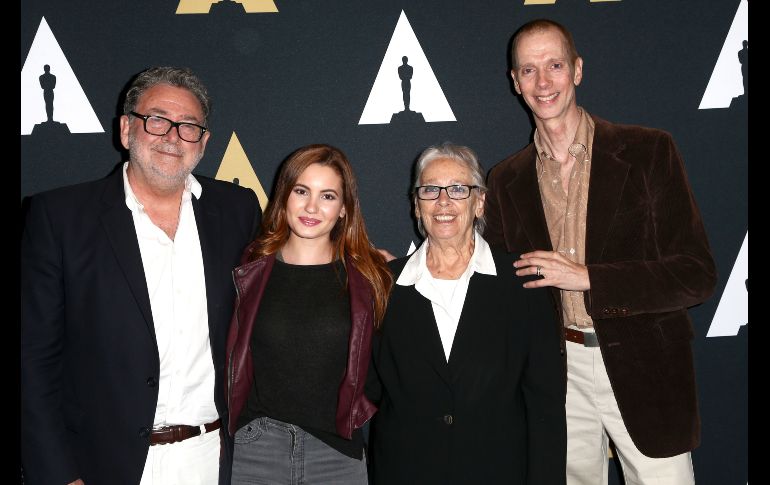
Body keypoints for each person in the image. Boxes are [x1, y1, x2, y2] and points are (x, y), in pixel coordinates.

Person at [484, 19, 717, 485]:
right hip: (558, 376)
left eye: (554, 65)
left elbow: (695, 274)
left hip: (646, 369)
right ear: (515, 83)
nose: (543, 82)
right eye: (528, 71)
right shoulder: (505, 179)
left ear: (577, 70)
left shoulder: (649, 151)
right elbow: (504, 292)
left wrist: (591, 277)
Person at [21, 66, 261, 485]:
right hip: (102, 467)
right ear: (126, 129)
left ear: (203, 143)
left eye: (188, 126)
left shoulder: (238, 210)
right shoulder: (59, 218)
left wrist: (364, 262)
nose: (172, 135)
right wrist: (58, 476)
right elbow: (32, 361)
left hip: (214, 459)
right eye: (157, 120)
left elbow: (286, 278)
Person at [367, 143, 566, 484]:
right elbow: (367, 391)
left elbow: (545, 406)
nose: (443, 201)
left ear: (480, 202)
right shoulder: (382, 285)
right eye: (430, 189)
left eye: (459, 189)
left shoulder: (523, 283)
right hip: (405, 472)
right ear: (416, 205)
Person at [225, 144, 393, 484]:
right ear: (284, 195)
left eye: (328, 196)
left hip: (337, 456)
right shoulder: (248, 269)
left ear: (344, 208)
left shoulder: (371, 276)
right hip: (255, 450)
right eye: (301, 191)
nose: (312, 207)